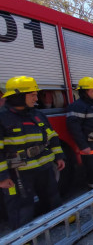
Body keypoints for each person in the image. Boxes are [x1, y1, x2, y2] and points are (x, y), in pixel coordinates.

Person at [0, 76, 65, 229]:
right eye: (32, 94)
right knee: (21, 205)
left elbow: (52, 136)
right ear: (18, 96)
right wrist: (2, 177)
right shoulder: (2, 118)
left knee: (52, 196)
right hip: (18, 172)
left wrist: (59, 156)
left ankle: (57, 220)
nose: (37, 98)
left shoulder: (37, 114)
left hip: (44, 166)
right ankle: (23, 236)